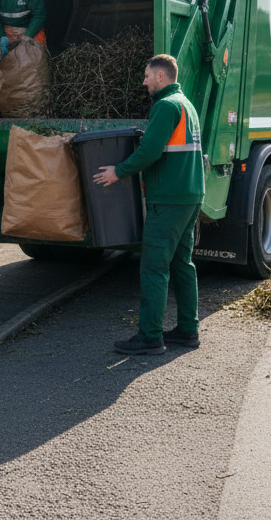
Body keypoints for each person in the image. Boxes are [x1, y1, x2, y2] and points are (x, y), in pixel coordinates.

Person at [93, 54, 204, 355]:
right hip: (189, 196)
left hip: (167, 199)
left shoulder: (166, 106)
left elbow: (150, 151)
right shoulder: (186, 105)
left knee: (154, 267)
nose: (143, 82)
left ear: (160, 76)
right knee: (183, 264)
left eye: (146, 76)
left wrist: (118, 171)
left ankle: (150, 337)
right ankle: (187, 330)